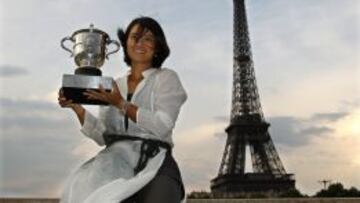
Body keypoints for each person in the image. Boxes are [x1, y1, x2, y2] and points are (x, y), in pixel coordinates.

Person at [58, 16, 187, 203]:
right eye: (135, 37)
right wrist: (77, 108)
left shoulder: (166, 78)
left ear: (158, 46)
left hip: (155, 159)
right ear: (126, 43)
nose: (140, 43)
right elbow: (103, 136)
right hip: (114, 161)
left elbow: (162, 125)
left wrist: (121, 103)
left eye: (148, 39)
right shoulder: (114, 84)